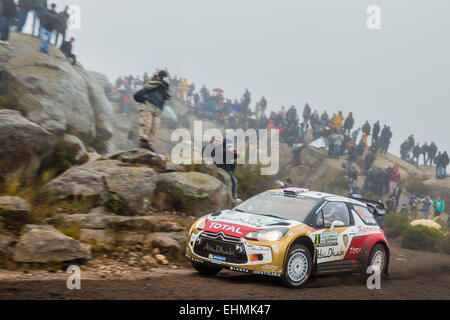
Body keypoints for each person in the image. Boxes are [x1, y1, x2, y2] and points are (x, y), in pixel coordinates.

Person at [137, 70, 172, 152]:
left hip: (157, 110)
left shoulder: (165, 86)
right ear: (158, 75)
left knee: (154, 127)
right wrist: (158, 83)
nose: (161, 78)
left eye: (163, 77)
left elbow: (169, 96)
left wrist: (165, 86)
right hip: (148, 107)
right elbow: (147, 86)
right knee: (146, 124)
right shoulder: (152, 80)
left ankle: (149, 144)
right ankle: (142, 141)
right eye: (161, 76)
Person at [213, 139, 241, 203]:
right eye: (228, 145)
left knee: (232, 182)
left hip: (224, 168)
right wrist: (234, 151)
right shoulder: (222, 151)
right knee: (234, 182)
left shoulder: (221, 149)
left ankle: (233, 197)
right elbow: (236, 155)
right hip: (224, 169)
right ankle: (234, 198)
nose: (229, 147)